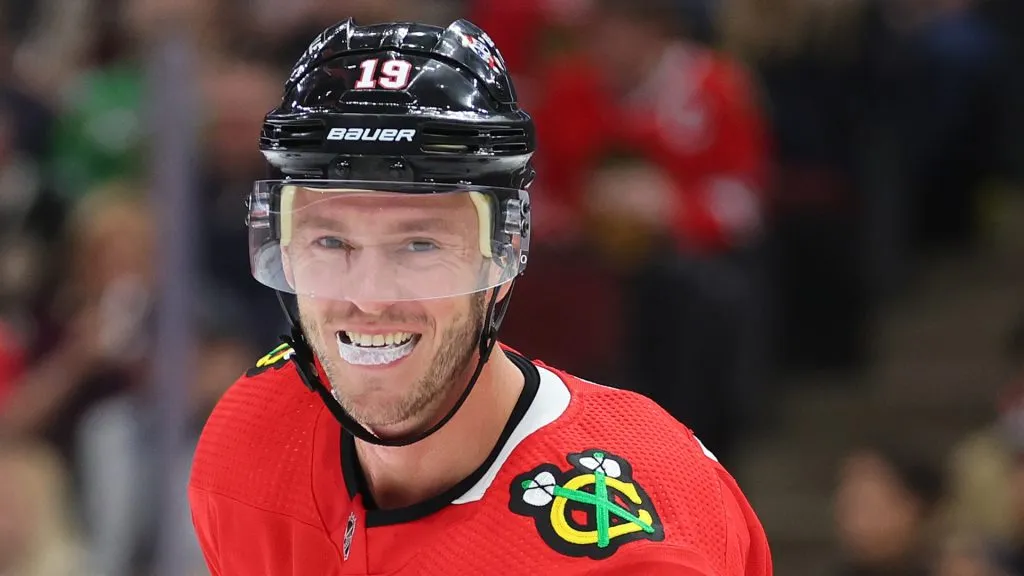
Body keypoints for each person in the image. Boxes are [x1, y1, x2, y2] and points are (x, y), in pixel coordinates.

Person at [188, 18, 772, 575]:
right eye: (330, 240)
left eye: (419, 245)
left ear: (503, 257)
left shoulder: (639, 546)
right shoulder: (250, 437)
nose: (367, 298)